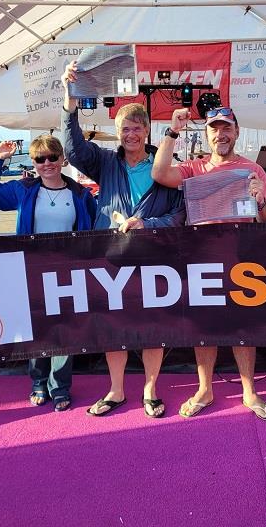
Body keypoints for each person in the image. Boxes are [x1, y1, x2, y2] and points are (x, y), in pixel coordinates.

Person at [61, 61, 186, 419]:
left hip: (152, 256)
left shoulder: (166, 164)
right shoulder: (103, 162)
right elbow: (72, 149)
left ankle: (150, 390)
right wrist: (70, 103)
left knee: (152, 327)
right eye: (124, 129)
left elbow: (179, 213)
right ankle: (116, 390)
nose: (130, 135)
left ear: (147, 130)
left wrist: (148, 224)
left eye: (136, 129)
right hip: (111, 257)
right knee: (113, 326)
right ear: (117, 132)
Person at [151, 106, 266, 421]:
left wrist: (260, 200)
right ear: (206, 134)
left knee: (243, 328)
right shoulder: (194, 168)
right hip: (201, 259)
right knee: (204, 328)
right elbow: (158, 173)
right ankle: (205, 389)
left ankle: (249, 391)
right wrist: (172, 130)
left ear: (236, 132)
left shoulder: (253, 169)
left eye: (226, 128)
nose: (220, 134)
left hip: (241, 260)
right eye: (214, 129)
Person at [0, 135, 97, 412]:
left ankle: (60, 387)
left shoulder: (80, 194)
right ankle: (38, 382)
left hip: (68, 272)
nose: (47, 164)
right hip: (31, 271)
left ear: (62, 160)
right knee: (36, 329)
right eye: (40, 159)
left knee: (65, 332)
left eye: (52, 158)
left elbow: (92, 229)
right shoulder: (24, 189)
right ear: (33, 163)